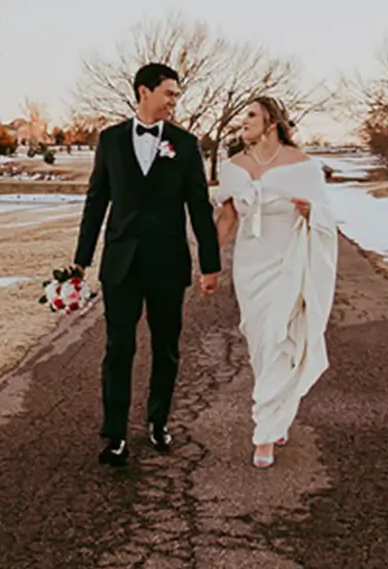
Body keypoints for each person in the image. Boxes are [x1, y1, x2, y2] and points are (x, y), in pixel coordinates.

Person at [73, 63, 221, 468]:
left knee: (166, 349)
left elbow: (199, 209)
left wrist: (211, 264)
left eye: (176, 95)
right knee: (118, 349)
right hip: (120, 264)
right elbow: (96, 203)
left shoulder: (186, 145)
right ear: (144, 91)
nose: (174, 101)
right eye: (169, 93)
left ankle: (157, 423)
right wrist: (80, 262)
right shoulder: (110, 140)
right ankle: (115, 435)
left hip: (168, 264)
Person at [214, 97, 338, 469]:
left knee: (279, 339)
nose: (244, 122)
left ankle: (265, 435)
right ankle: (278, 411)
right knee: (259, 343)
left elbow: (325, 216)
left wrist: (310, 211)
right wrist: (207, 265)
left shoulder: (304, 167)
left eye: (251, 115)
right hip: (250, 265)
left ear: (271, 122)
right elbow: (227, 219)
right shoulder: (234, 167)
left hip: (289, 262)